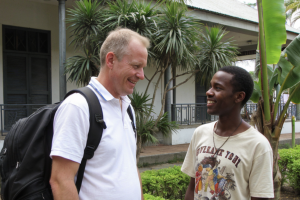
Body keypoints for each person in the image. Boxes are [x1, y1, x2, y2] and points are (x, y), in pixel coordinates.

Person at [49, 28, 149, 200]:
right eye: (135, 66)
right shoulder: (78, 106)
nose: (141, 75)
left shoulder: (128, 108)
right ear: (111, 60)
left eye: (143, 67)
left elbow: (131, 167)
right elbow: (60, 180)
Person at [182, 66, 274, 200]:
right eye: (210, 86)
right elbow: (192, 188)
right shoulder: (200, 133)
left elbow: (261, 197)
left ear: (238, 96)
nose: (208, 92)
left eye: (217, 88)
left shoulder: (258, 145)